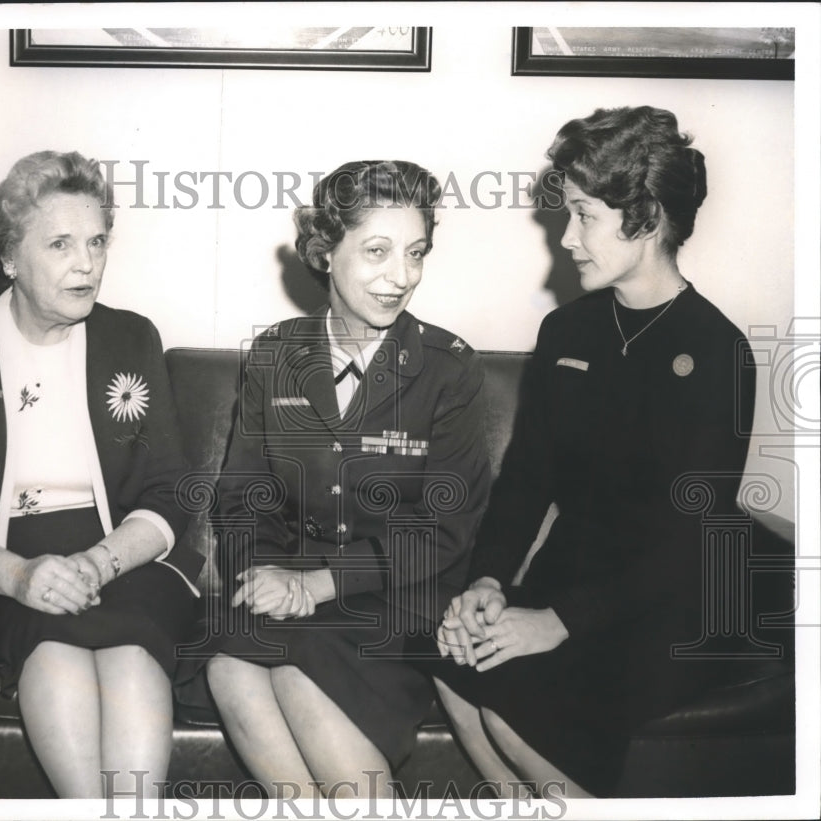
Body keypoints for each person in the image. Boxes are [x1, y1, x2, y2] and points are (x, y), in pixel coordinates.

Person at [434, 106, 757, 797]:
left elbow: (691, 539)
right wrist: (488, 580)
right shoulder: (567, 330)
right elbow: (525, 479)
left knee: (511, 699)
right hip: (571, 583)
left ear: (644, 217)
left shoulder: (717, 350)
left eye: (584, 215)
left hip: (678, 607)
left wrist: (556, 623)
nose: (568, 238)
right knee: (447, 654)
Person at [0, 151, 203, 798]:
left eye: (97, 241)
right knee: (57, 652)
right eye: (61, 243)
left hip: (123, 558)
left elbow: (170, 494)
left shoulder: (131, 339)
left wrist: (98, 562)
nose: (87, 262)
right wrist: (19, 576)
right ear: (9, 256)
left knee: (131, 654)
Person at [202, 160, 491, 797]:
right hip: (293, 587)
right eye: (378, 251)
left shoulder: (450, 369)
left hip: (399, 600)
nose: (402, 277)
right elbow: (244, 497)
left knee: (300, 679)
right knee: (229, 670)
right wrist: (265, 576)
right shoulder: (277, 354)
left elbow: (446, 530)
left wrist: (321, 583)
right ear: (326, 252)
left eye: (416, 253)